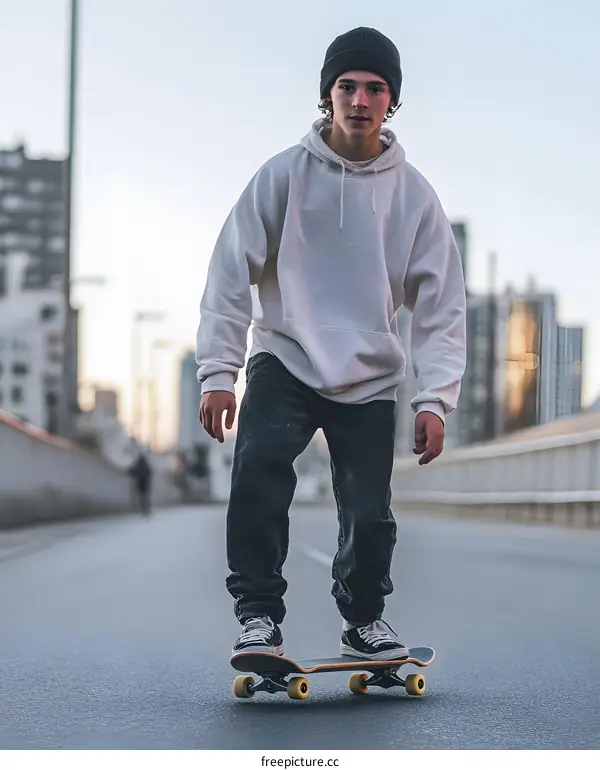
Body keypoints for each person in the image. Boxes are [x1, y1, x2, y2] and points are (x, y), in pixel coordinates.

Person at [196, 26, 467, 660]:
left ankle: (365, 622)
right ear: (328, 95)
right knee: (259, 476)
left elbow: (442, 303)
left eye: (375, 89)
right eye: (347, 86)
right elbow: (230, 271)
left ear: (391, 102)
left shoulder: (415, 196)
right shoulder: (283, 176)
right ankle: (259, 617)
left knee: (369, 515)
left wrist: (436, 398)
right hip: (284, 356)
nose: (360, 99)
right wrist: (218, 372)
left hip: (369, 374)